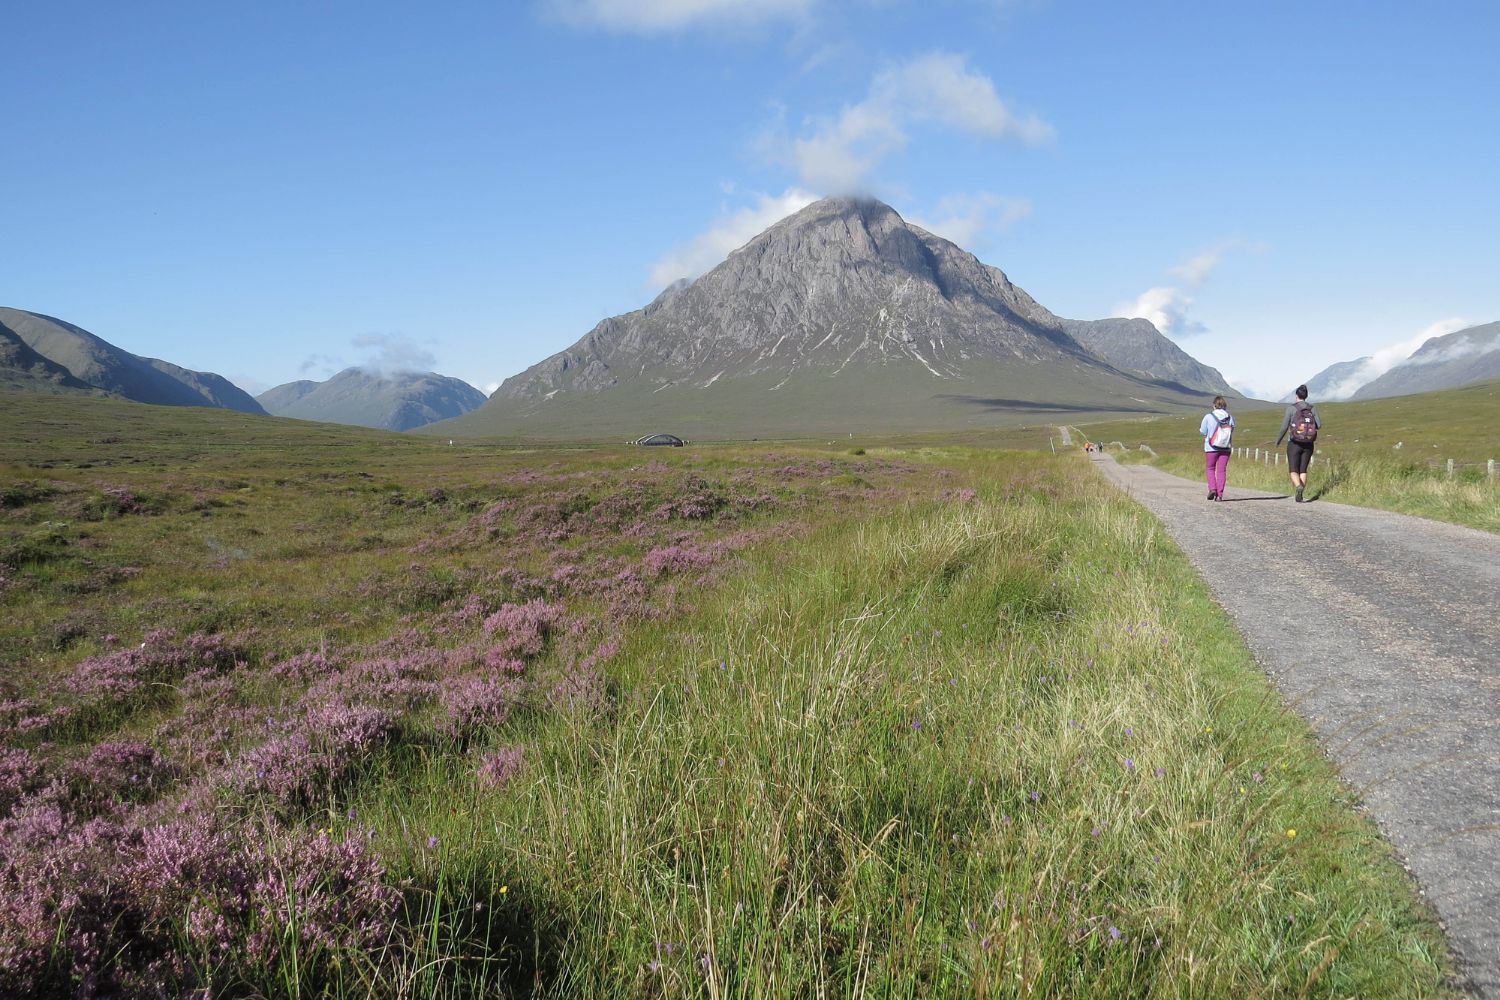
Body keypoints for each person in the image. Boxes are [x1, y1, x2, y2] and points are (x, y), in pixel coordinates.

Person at [1276, 384, 1321, 502]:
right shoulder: (1312, 408)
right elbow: (1319, 425)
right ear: (1306, 396)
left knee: (1293, 469)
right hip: (1309, 444)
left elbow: (1284, 427)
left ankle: (1298, 486)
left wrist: (1278, 440)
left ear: (1296, 395)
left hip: (1294, 443)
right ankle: (1300, 493)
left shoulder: (1291, 408)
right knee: (1303, 470)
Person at [1199, 395, 1234, 501]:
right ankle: (1220, 495)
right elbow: (1231, 430)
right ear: (1225, 406)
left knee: (1210, 468)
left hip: (1211, 447)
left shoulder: (1208, 417)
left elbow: (1203, 431)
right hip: (1226, 448)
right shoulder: (1230, 417)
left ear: (1214, 405)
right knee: (1222, 471)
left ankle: (1212, 488)